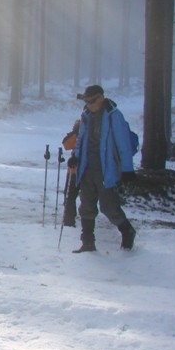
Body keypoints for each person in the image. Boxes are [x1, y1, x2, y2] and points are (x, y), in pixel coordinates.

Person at [71, 84, 136, 253]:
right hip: (86, 168)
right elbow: (81, 140)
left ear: (100, 98)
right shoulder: (86, 115)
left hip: (106, 170)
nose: (88, 105)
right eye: (86, 101)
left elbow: (124, 145)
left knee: (108, 207)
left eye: (91, 101)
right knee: (86, 205)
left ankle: (127, 231)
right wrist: (75, 156)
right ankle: (88, 242)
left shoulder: (114, 116)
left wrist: (128, 170)